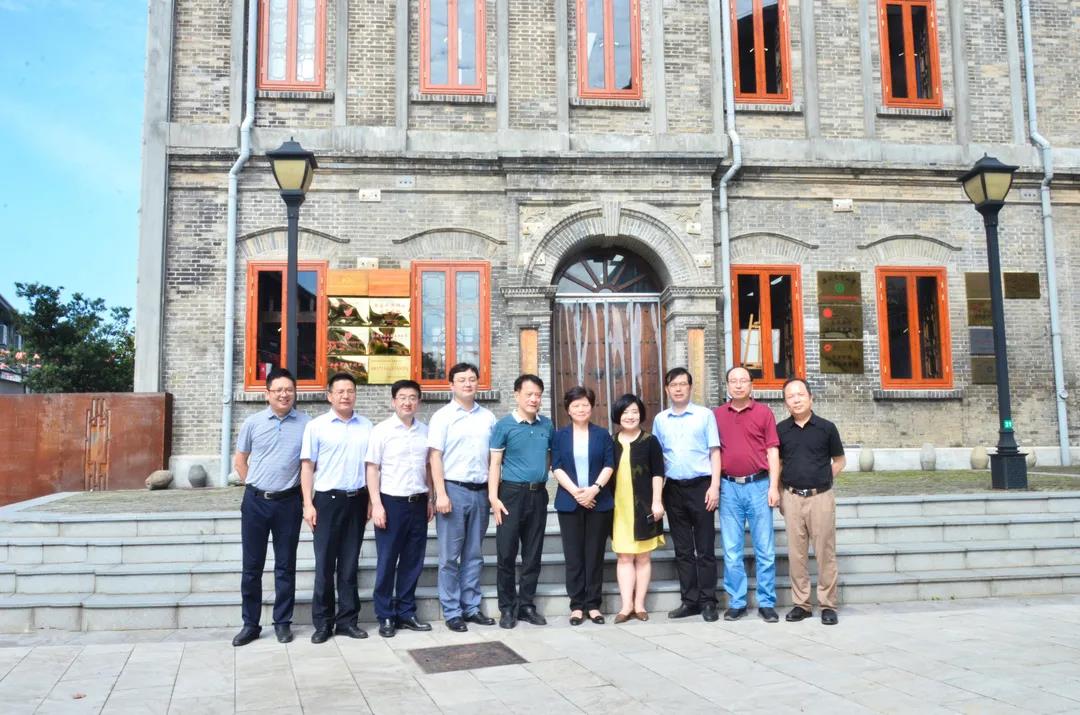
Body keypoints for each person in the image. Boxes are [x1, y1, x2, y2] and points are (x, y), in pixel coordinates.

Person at [231, 368, 310, 647]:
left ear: (295, 393)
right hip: (255, 503)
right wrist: (253, 485)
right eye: (278, 390)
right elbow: (240, 460)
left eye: (289, 390)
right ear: (267, 394)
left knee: (285, 565)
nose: (284, 394)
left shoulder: (306, 423)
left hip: (288, 502)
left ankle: (282, 622)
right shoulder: (252, 423)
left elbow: (309, 464)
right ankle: (250, 624)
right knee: (252, 566)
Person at [300, 371, 373, 643]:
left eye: (350, 391)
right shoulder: (316, 426)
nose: (346, 396)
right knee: (325, 565)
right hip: (327, 502)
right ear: (329, 396)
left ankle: (347, 621)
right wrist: (308, 504)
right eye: (340, 391)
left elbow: (371, 467)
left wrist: (371, 500)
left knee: (350, 564)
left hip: (357, 500)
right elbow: (307, 467)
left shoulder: (367, 426)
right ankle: (323, 623)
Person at [428, 362, 498, 632]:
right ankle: (452, 611)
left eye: (472, 379)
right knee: (449, 557)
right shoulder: (442, 417)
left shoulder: (488, 417)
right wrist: (440, 494)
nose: (468, 384)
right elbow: (435, 456)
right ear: (451, 385)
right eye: (462, 379)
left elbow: (494, 458)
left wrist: (492, 494)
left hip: (480, 492)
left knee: (474, 554)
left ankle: (471, 607)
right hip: (453, 491)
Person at [651, 367, 722, 622]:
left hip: (701, 487)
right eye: (674, 385)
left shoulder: (705, 415)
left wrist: (714, 486)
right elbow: (657, 458)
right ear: (667, 389)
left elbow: (715, 452)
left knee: (705, 548)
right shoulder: (660, 420)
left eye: (683, 384)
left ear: (690, 387)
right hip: (673, 489)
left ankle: (708, 601)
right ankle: (689, 601)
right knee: (682, 549)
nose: (678, 388)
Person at [365, 379, 434, 638]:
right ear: (394, 401)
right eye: (402, 397)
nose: (407, 402)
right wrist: (376, 504)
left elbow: (429, 467)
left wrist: (430, 498)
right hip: (391, 503)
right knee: (387, 561)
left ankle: (406, 612)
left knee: (412, 561)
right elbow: (372, 469)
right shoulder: (381, 431)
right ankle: (385, 615)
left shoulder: (425, 431)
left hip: (418, 503)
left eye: (412, 397)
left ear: (419, 401)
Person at [714, 366, 781, 623]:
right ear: (727, 385)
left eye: (743, 380)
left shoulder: (764, 413)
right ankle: (737, 602)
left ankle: (767, 602)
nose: (738, 385)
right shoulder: (717, 415)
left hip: (759, 486)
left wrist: (773, 486)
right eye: (733, 381)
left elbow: (772, 452)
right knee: (732, 550)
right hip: (729, 487)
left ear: (752, 385)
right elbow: (713, 452)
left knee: (765, 549)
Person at [777, 377, 846, 626]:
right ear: (786, 403)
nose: (796, 400)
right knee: (796, 554)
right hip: (792, 497)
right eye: (790, 397)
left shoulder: (827, 428)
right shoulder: (781, 430)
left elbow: (839, 461)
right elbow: (778, 464)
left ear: (811, 398)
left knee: (825, 552)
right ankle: (802, 604)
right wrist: (780, 494)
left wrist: (824, 477)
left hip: (821, 498)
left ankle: (828, 604)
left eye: (800, 395)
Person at [489, 373, 555, 629]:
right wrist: (494, 498)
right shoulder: (504, 425)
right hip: (510, 495)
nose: (533, 399)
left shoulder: (547, 425)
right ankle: (507, 608)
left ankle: (526, 605)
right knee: (506, 553)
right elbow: (495, 464)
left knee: (532, 553)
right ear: (517, 395)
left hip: (538, 494)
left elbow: (549, 457)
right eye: (529, 394)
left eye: (538, 395)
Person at [551, 386, 615, 626]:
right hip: (570, 501)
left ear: (592, 407)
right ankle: (577, 605)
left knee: (594, 554)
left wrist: (593, 489)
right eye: (576, 405)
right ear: (568, 409)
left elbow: (609, 464)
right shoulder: (560, 436)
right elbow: (556, 466)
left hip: (598, 501)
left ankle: (593, 605)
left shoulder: (602, 435)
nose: (581, 409)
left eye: (585, 405)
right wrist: (577, 493)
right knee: (574, 555)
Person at [609, 393, 665, 624]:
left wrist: (657, 501)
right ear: (618, 415)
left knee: (642, 557)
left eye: (634, 411)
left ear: (641, 414)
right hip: (618, 509)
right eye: (625, 412)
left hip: (644, 507)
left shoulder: (650, 441)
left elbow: (658, 473)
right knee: (624, 556)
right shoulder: (611, 442)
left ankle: (640, 605)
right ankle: (626, 606)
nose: (630, 416)